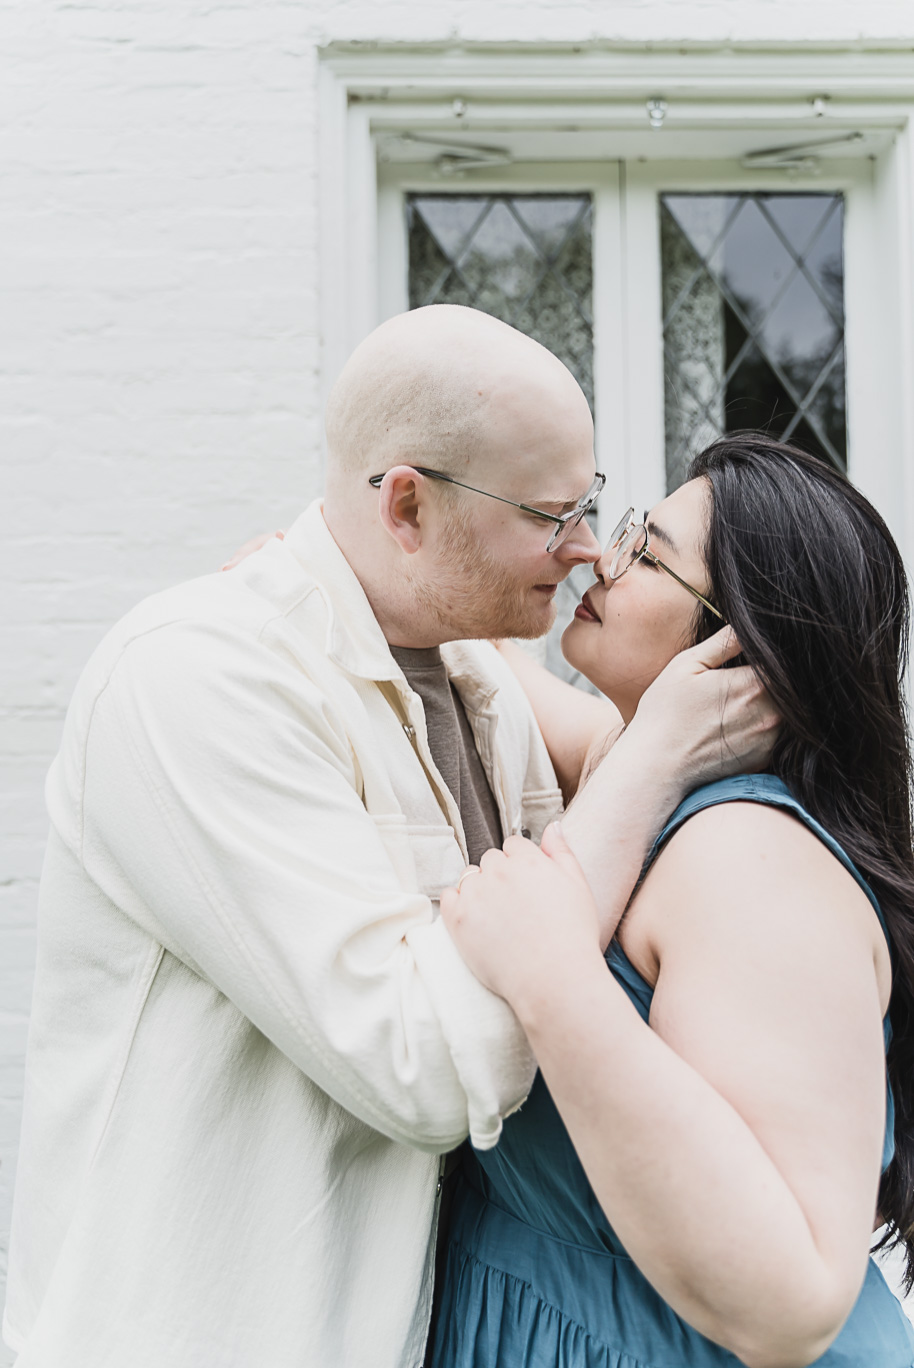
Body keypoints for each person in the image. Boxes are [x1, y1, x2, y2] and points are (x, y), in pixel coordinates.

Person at [2, 307, 775, 1368]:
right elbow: (422, 1066)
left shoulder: (475, 683)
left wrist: (666, 736)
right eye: (552, 515)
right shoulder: (202, 679)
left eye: (589, 506)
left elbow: (616, 842)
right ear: (406, 503)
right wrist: (650, 759)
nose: (586, 548)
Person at [432, 433, 914, 1367]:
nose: (602, 562)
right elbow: (493, 667)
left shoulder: (749, 860)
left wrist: (551, 977)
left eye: (647, 554)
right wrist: (319, 594)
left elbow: (795, 1297)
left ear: (741, 654)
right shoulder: (645, 777)